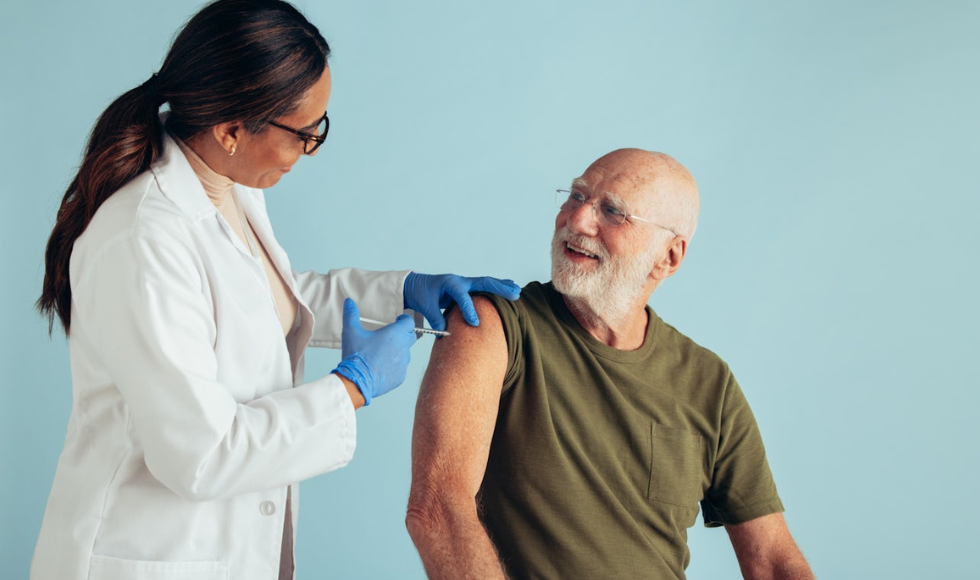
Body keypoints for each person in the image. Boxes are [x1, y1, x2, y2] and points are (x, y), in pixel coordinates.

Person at [31, 1, 520, 579]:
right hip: (150, 553)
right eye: (303, 134)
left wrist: (403, 292)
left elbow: (256, 299)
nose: (310, 149)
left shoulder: (225, 185)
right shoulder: (143, 239)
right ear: (232, 129)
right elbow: (200, 454)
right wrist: (349, 390)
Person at [406, 148, 815, 580]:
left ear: (669, 256)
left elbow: (772, 561)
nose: (577, 221)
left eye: (613, 212)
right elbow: (437, 511)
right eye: (577, 196)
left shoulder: (709, 382)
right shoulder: (492, 325)